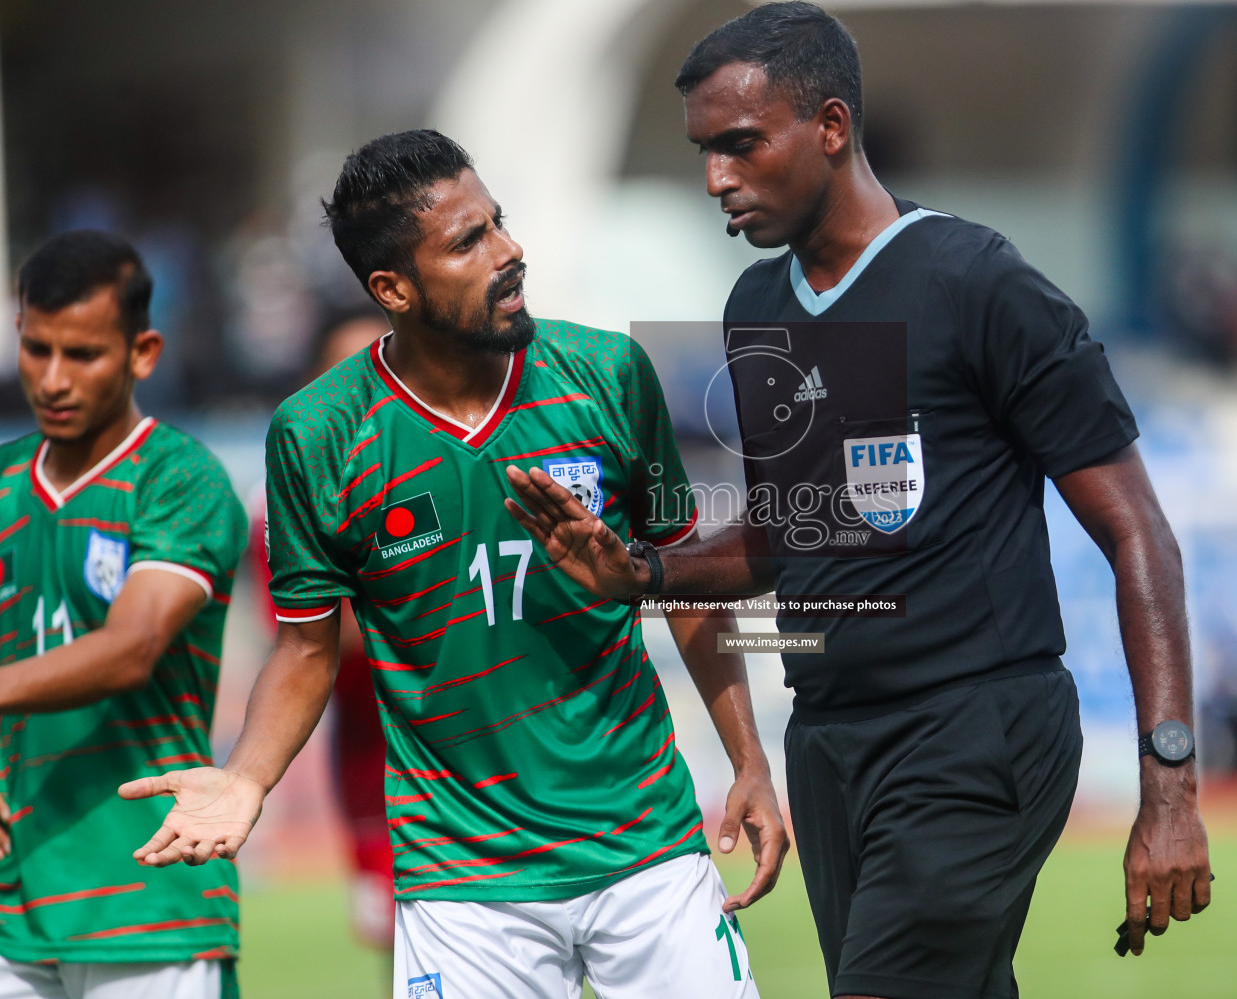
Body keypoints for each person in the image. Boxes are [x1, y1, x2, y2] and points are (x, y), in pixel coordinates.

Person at [503, 0, 1213, 999]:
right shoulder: (759, 305)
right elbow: (789, 536)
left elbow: (1140, 533)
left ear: (832, 127)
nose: (717, 179)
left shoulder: (977, 282)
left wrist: (1169, 785)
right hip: (830, 739)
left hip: (975, 726)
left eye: (742, 146)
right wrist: (643, 570)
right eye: (705, 151)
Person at [122, 130, 787, 999]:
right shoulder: (319, 433)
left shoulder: (609, 373)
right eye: (469, 241)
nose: (510, 253)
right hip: (461, 886)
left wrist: (748, 760)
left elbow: (685, 579)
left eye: (499, 224)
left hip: (647, 844)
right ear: (392, 288)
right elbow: (305, 646)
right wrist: (247, 778)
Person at [0, 230, 246, 999]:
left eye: (83, 354)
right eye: (36, 350)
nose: (52, 379)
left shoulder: (181, 479)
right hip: (13, 905)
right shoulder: (3, 485)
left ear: (143, 353)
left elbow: (130, 646)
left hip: (150, 896)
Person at [243, 312, 395, 950]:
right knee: (408, 954)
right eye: (343, 373)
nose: (366, 391)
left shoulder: (473, 457)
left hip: (511, 757)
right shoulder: (278, 500)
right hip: (383, 773)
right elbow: (314, 637)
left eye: (380, 367)